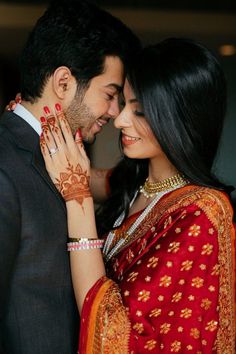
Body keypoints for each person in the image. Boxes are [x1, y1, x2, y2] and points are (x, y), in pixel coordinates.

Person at [39, 38, 235, 353]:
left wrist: (78, 198)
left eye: (140, 111)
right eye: (124, 102)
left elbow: (118, 333)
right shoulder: (134, 180)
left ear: (182, 120)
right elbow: (78, 172)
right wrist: (41, 128)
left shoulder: (202, 214)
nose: (120, 121)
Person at [0, 0, 140, 352]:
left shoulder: (60, 159)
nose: (114, 113)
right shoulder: (5, 166)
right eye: (110, 95)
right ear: (64, 82)